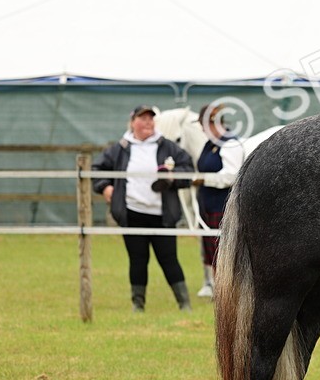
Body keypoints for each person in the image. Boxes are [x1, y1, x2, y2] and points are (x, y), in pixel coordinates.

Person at [92, 105, 196, 312]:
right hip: (132, 213)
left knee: (169, 260)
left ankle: (184, 304)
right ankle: (137, 305)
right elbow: (96, 169)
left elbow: (188, 167)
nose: (147, 122)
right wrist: (106, 187)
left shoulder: (167, 146)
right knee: (138, 260)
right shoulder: (120, 148)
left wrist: (172, 178)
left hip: (162, 215)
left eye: (151, 118)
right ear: (132, 122)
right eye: (143, 118)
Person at [193, 104, 245, 298]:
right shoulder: (210, 143)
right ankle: (219, 293)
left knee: (224, 253)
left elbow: (231, 175)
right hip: (207, 205)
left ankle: (230, 293)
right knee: (212, 253)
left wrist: (203, 179)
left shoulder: (229, 143)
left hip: (222, 206)